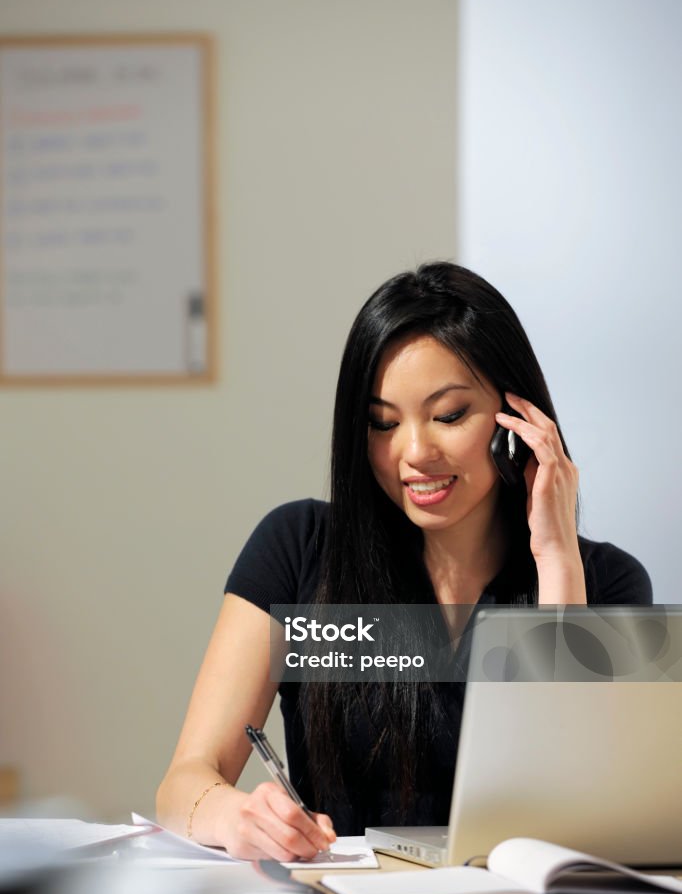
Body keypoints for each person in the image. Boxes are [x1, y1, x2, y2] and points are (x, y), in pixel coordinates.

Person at [156, 262, 652, 860]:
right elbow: (185, 781)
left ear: (516, 422)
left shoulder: (606, 581)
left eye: (448, 415)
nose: (413, 453)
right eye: (382, 423)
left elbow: (584, 809)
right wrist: (234, 815)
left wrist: (555, 561)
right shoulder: (298, 547)